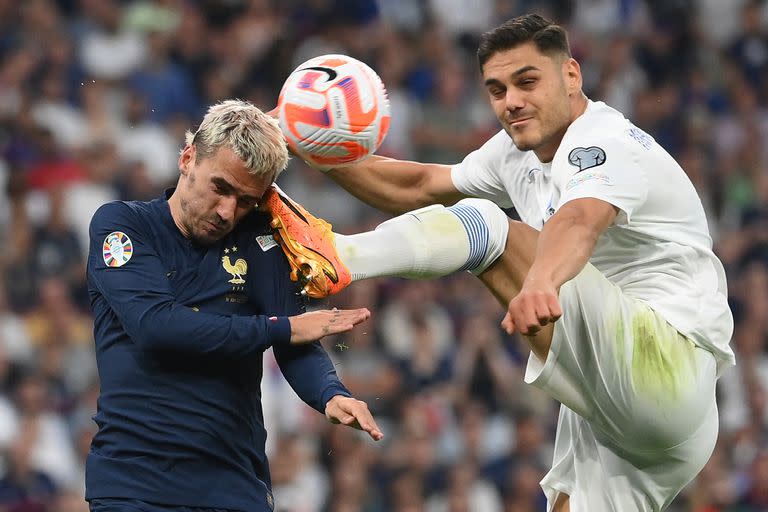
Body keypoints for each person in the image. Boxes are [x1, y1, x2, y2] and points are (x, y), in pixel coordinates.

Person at [262, 14, 735, 512]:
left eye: (527, 81)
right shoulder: (516, 152)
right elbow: (416, 186)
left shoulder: (603, 142)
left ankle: (338, 254)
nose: (511, 101)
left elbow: (578, 221)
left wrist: (541, 281)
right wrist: (303, 141)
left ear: (571, 74)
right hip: (643, 423)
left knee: (489, 227)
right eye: (497, 89)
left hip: (666, 360)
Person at [84, 99, 383, 512]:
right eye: (220, 188)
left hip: (233, 486)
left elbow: (297, 338)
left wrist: (329, 394)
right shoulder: (122, 226)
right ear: (188, 158)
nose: (227, 211)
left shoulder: (261, 242)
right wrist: (282, 328)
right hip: (136, 485)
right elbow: (156, 327)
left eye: (245, 200)